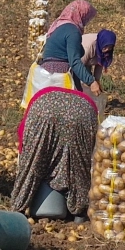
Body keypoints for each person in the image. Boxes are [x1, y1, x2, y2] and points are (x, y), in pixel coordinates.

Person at [11, 86, 99, 221]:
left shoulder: (37, 105)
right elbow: (89, 156)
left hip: (45, 110)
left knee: (32, 163)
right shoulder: (83, 102)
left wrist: (25, 172)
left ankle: (18, 209)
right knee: (79, 165)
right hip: (85, 112)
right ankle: (79, 213)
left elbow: (26, 150)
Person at [23, 0, 102, 106]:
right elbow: (74, 62)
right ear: (82, 14)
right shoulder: (73, 31)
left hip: (47, 70)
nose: (87, 21)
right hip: (59, 73)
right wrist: (91, 82)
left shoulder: (60, 25)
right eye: (87, 17)